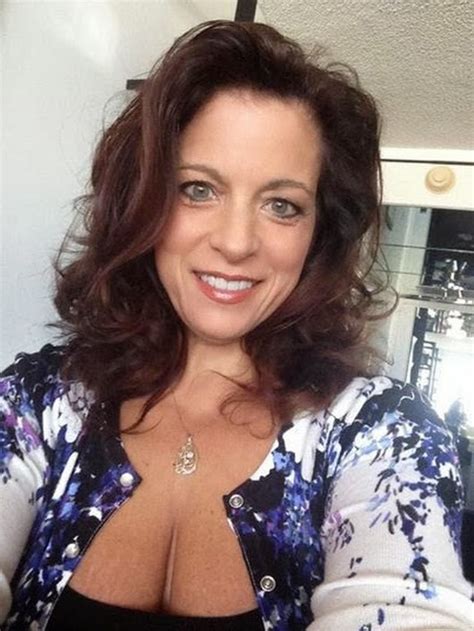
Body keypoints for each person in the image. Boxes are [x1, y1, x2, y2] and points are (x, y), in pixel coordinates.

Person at [0, 19, 472, 631]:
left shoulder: (382, 434)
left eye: (282, 205)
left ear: (318, 232)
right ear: (142, 201)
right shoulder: (38, 402)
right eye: (198, 189)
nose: (236, 242)